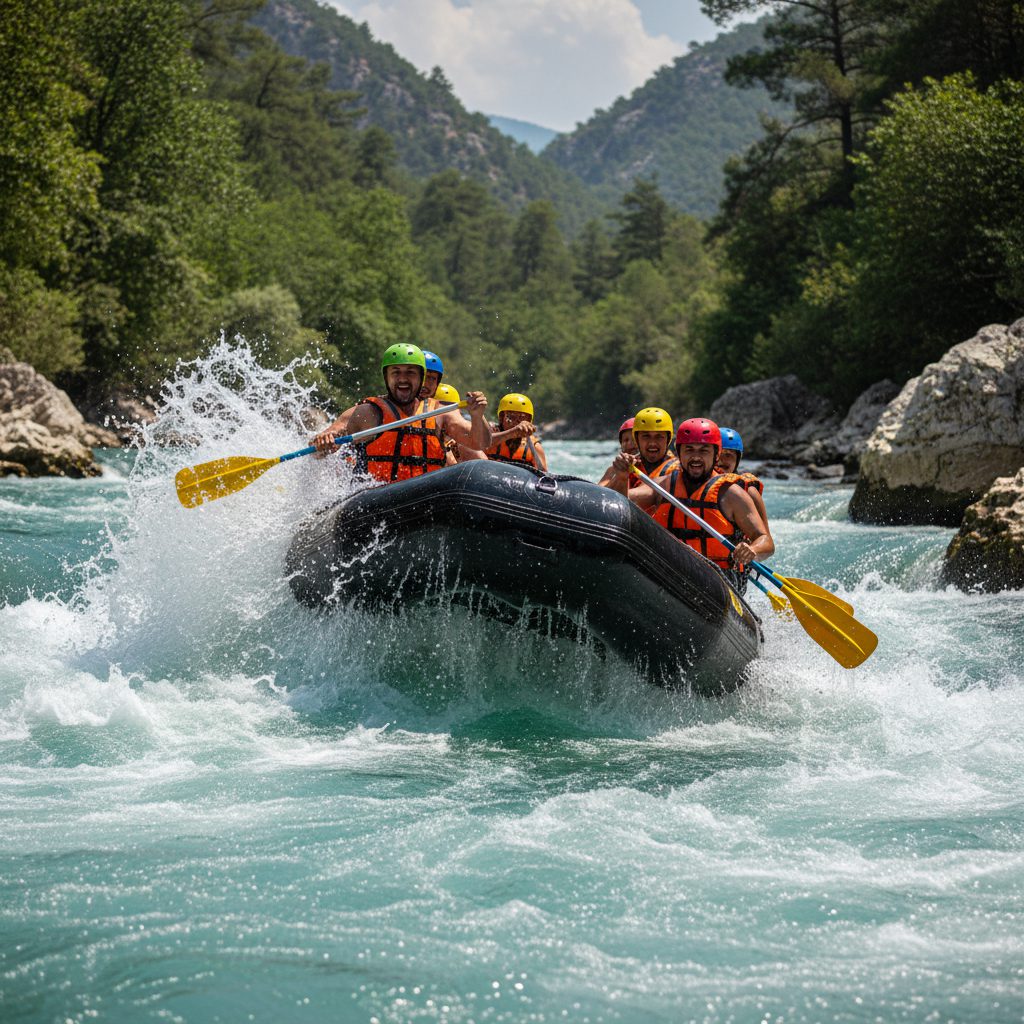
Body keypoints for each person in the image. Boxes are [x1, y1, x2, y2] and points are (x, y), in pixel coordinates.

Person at [617, 417, 773, 592]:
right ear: (679, 453)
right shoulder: (663, 485)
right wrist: (622, 477)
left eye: (704, 450)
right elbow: (622, 502)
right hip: (668, 571)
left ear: (716, 455)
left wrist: (752, 549)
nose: (696, 457)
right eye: (689, 449)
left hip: (719, 581)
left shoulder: (731, 494)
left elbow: (766, 541)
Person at [312, 344, 490, 482]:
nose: (403, 378)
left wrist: (477, 415)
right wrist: (325, 440)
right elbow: (323, 445)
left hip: (427, 499)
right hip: (377, 500)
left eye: (411, 373)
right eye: (396, 372)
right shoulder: (367, 412)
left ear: (420, 378)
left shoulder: (440, 413)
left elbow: (480, 443)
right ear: (386, 377)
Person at [601, 407, 678, 497]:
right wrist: (620, 477)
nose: (652, 443)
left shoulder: (677, 470)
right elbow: (599, 496)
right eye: (646, 436)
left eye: (659, 436)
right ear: (637, 439)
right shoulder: (622, 466)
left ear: (668, 439)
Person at [716, 426, 773, 546]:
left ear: (737, 460)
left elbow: (767, 544)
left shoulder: (749, 491)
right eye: (718, 454)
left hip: (732, 561)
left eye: (728, 455)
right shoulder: (695, 484)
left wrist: (752, 550)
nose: (721, 460)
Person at [485, 393, 548, 472]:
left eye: (522, 418)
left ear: (529, 421)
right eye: (511, 417)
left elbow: (544, 475)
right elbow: (481, 444)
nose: (516, 423)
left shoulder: (534, 446)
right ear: (501, 418)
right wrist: (512, 433)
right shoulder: (490, 433)